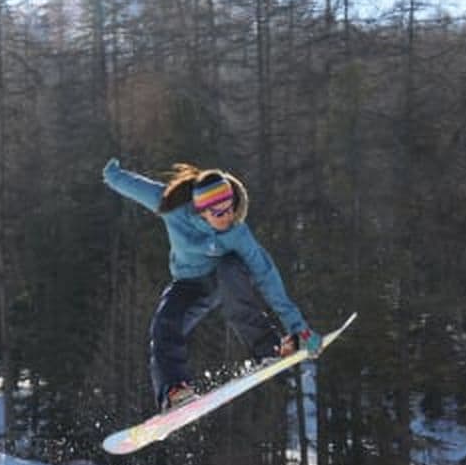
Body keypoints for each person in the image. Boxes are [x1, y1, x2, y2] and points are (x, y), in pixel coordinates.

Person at [102, 158, 321, 412]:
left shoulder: (237, 233)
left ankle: (269, 349)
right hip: (188, 284)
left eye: (231, 208)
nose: (228, 217)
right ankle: (175, 391)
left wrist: (299, 328)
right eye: (219, 213)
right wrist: (112, 174)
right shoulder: (172, 205)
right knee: (164, 325)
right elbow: (137, 187)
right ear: (201, 210)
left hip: (223, 279)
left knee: (231, 272)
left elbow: (267, 275)